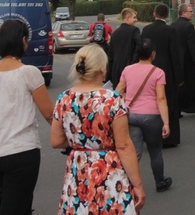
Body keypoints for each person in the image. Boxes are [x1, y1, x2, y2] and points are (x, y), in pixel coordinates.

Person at [0, 19, 54, 214]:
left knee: (14, 203)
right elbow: (49, 113)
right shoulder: (29, 73)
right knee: (16, 206)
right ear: (23, 41)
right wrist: (67, 138)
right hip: (22, 152)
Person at [51, 44, 146, 213]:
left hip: (78, 171)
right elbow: (123, 145)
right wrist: (137, 185)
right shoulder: (112, 100)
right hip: (108, 168)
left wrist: (82, 140)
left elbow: (56, 140)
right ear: (102, 69)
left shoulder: (64, 98)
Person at [116, 39, 172, 193]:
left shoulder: (127, 70)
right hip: (151, 115)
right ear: (152, 55)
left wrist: (126, 98)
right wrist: (166, 122)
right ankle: (160, 182)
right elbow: (161, 98)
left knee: (134, 151)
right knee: (155, 150)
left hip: (132, 114)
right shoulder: (158, 72)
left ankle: (125, 182)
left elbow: (118, 91)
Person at [142, 4, 183, 148]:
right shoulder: (170, 30)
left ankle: (152, 136)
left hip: (149, 70)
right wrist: (179, 77)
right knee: (169, 103)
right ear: (167, 15)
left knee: (151, 103)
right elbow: (175, 54)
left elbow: (142, 51)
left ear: (154, 14)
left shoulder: (146, 29)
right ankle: (170, 137)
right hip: (167, 72)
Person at [172, 4, 195, 115]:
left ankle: (179, 109)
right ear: (183, 13)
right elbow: (192, 46)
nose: (192, 13)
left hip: (178, 60)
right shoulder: (188, 26)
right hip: (189, 59)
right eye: (190, 11)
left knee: (180, 84)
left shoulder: (173, 25)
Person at [107, 8, 141, 89]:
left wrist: (109, 75)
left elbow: (110, 56)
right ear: (127, 18)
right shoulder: (134, 30)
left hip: (116, 71)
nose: (136, 20)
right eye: (134, 17)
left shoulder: (114, 33)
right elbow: (139, 46)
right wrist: (134, 63)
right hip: (129, 68)